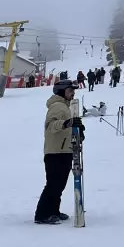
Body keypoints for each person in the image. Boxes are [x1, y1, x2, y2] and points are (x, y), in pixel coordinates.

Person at [35, 78, 81, 225]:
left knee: (59, 185)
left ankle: (53, 211)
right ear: (62, 91)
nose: (73, 93)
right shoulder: (57, 107)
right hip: (55, 152)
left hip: (64, 150)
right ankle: (42, 214)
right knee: (53, 184)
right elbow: (50, 126)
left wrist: (79, 130)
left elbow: (68, 128)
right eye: (70, 90)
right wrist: (66, 123)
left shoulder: (66, 107)